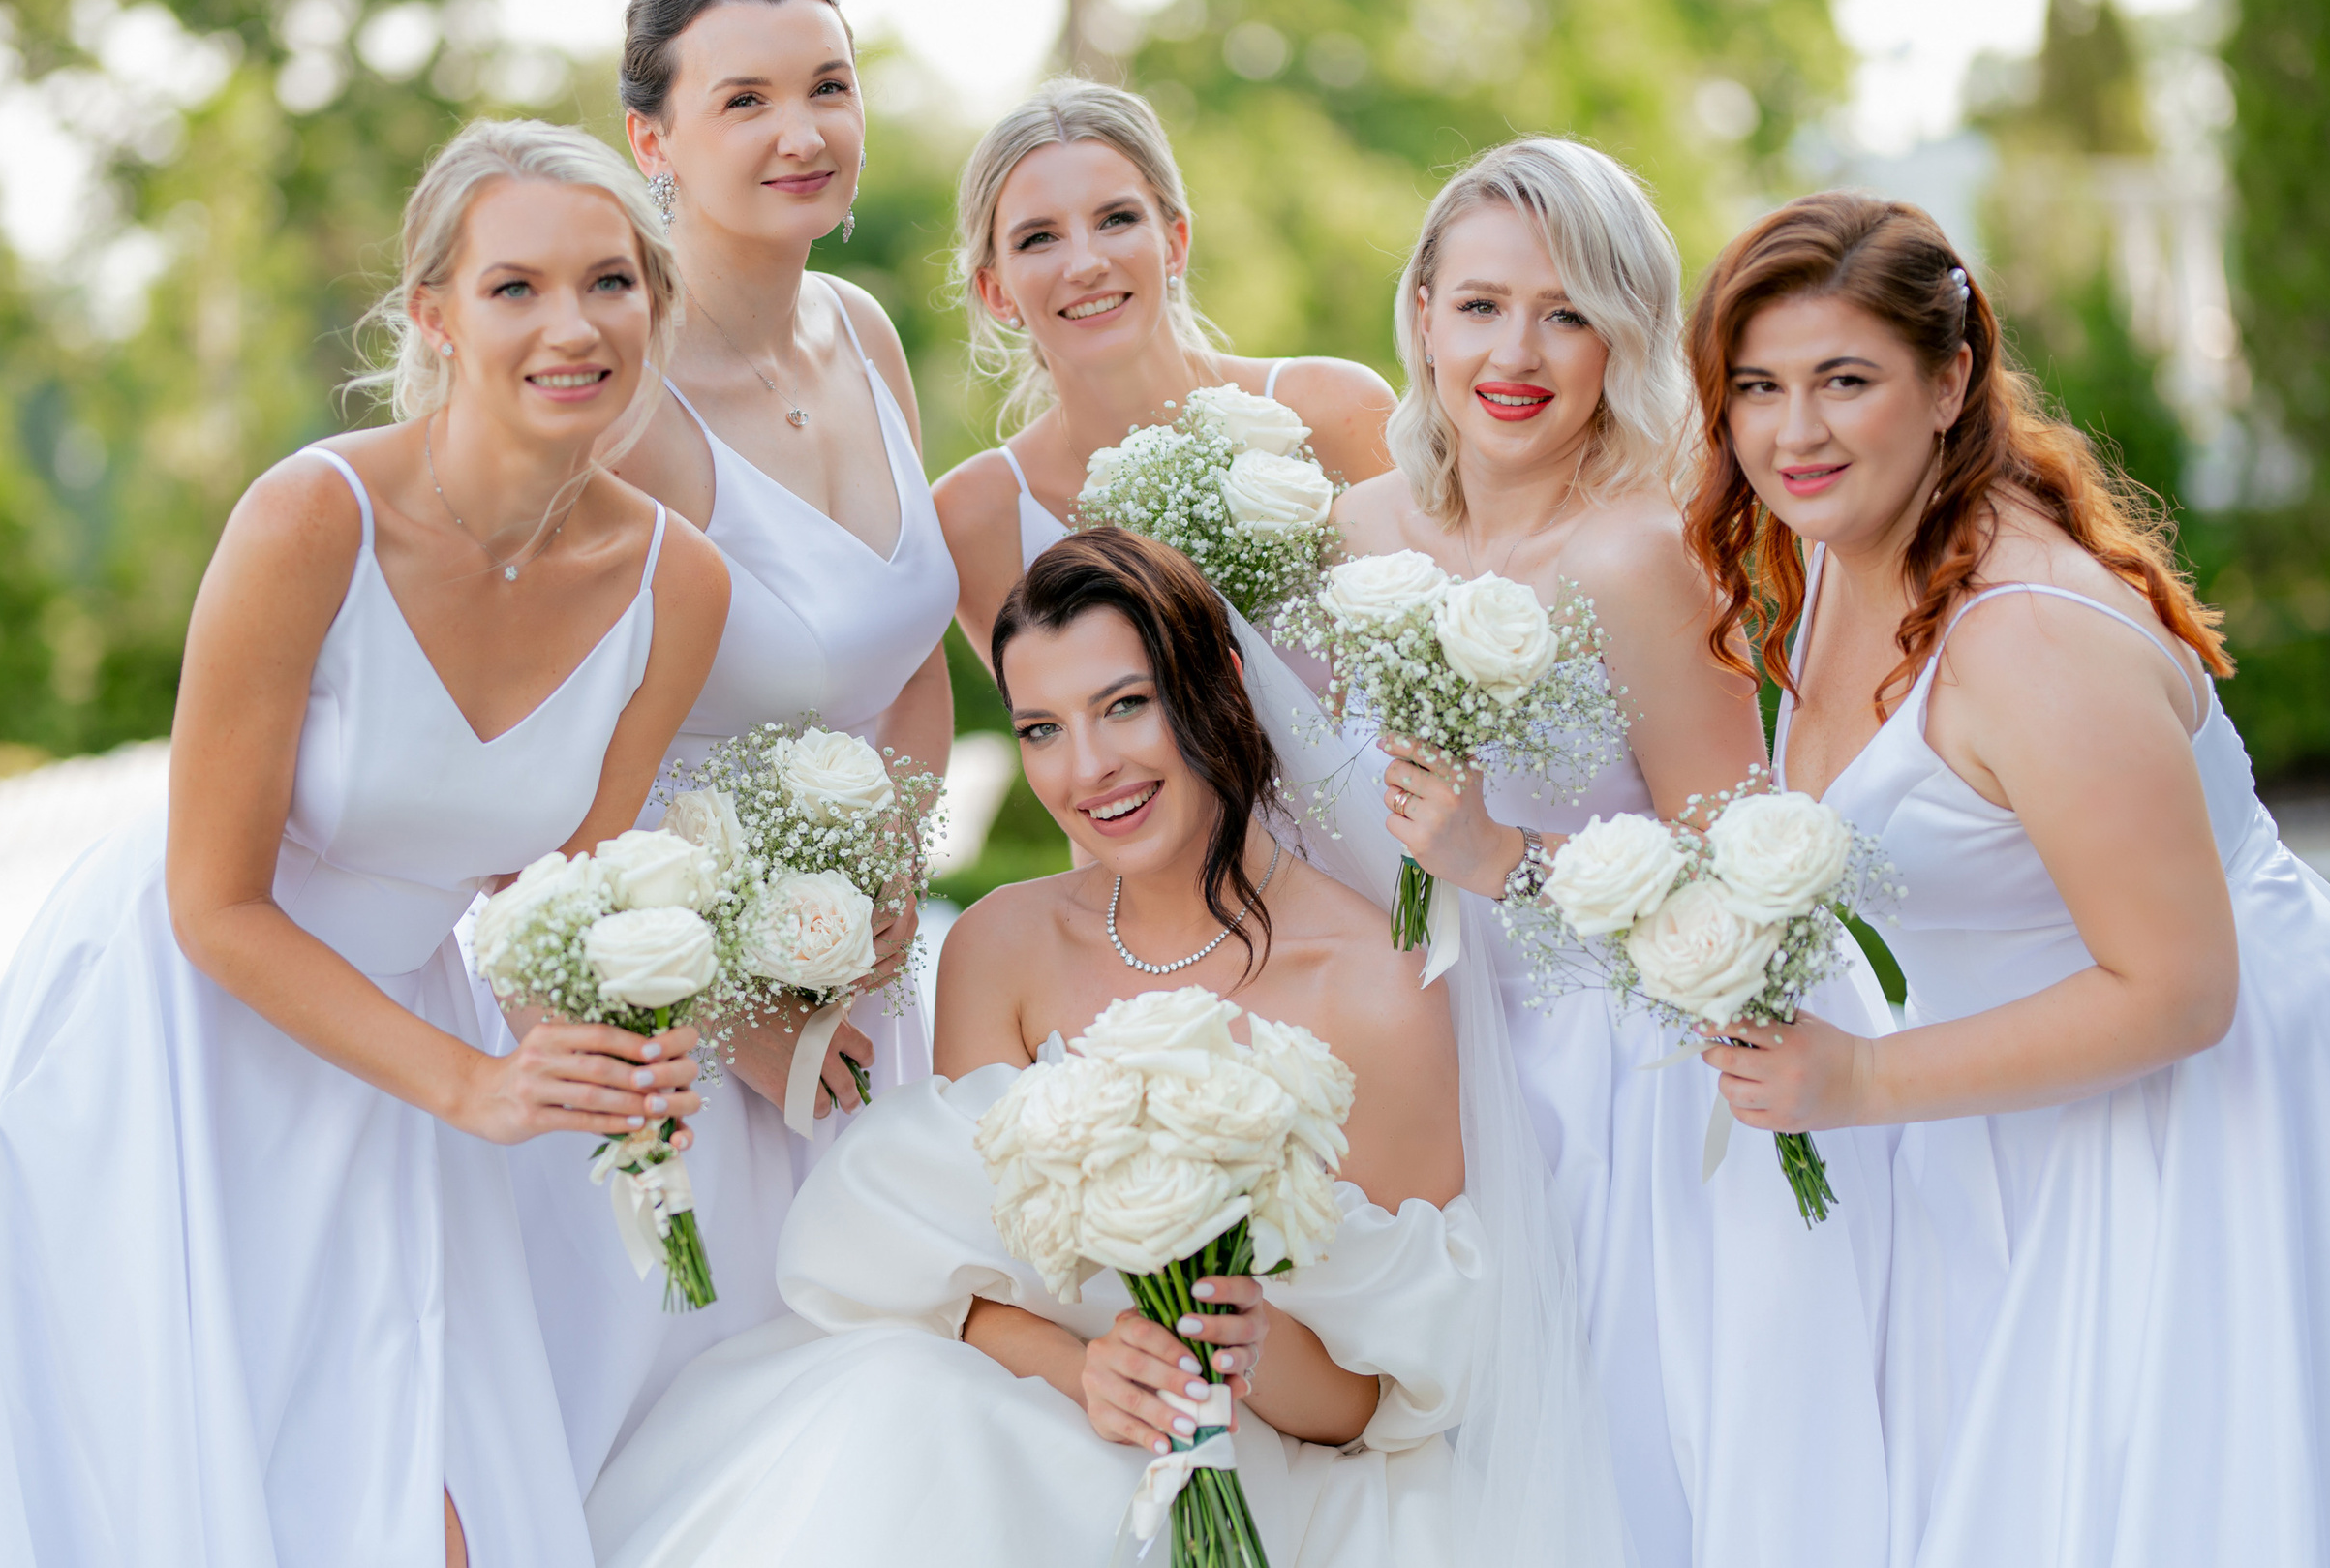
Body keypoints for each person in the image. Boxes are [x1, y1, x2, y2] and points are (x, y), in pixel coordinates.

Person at [0, 119, 729, 1567]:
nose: (573, 326)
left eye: (611, 282)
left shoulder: (680, 586)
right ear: (432, 313)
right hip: (178, 1032)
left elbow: (556, 906)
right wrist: (476, 1082)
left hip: (408, 1044)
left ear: (655, 304)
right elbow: (212, 901)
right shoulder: (312, 518)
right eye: (515, 287)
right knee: (172, 1486)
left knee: (432, 1504)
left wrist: (612, 1045)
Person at [585, 530, 1630, 1567]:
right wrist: (1077, 1364)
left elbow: (1374, 1402)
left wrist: (1231, 1350)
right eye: (1040, 728)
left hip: (1237, 1455)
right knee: (900, 1403)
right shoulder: (1003, 944)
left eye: (1125, 705)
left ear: (1216, 681)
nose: (1087, 769)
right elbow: (958, 1275)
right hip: (1003, 1403)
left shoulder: (1375, 981)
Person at [1684, 189, 2330, 1566]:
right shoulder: (1845, 553)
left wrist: (1857, 1083)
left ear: (1952, 380)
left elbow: (2184, 987)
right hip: (2006, 1099)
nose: (1794, 432)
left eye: (1847, 380)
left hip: (2194, 1111)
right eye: (1758, 386)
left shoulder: (2026, 640)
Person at [1331, 137, 1898, 1567]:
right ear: (1421, 314)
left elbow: (1742, 904)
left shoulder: (1639, 556)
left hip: (1610, 1096)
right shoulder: (1354, 535)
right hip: (1410, 1075)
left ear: (1624, 340)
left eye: (1568, 311)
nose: (1516, 351)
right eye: (1481, 305)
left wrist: (1505, 857)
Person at [480, 0, 961, 1498]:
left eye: (829, 87)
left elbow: (909, 667)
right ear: (651, 137)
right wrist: (747, 1017)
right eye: (744, 99)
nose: (801, 132)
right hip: (670, 1010)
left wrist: (880, 897)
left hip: (870, 979)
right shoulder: (619, 390)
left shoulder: (871, 333)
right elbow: (536, 766)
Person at [932, 77, 1398, 661]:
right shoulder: (974, 517)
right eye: (1039, 238)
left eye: (1116, 219)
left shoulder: (1337, 410)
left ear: (1174, 242)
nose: (1085, 264)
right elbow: (1050, 732)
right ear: (995, 290)